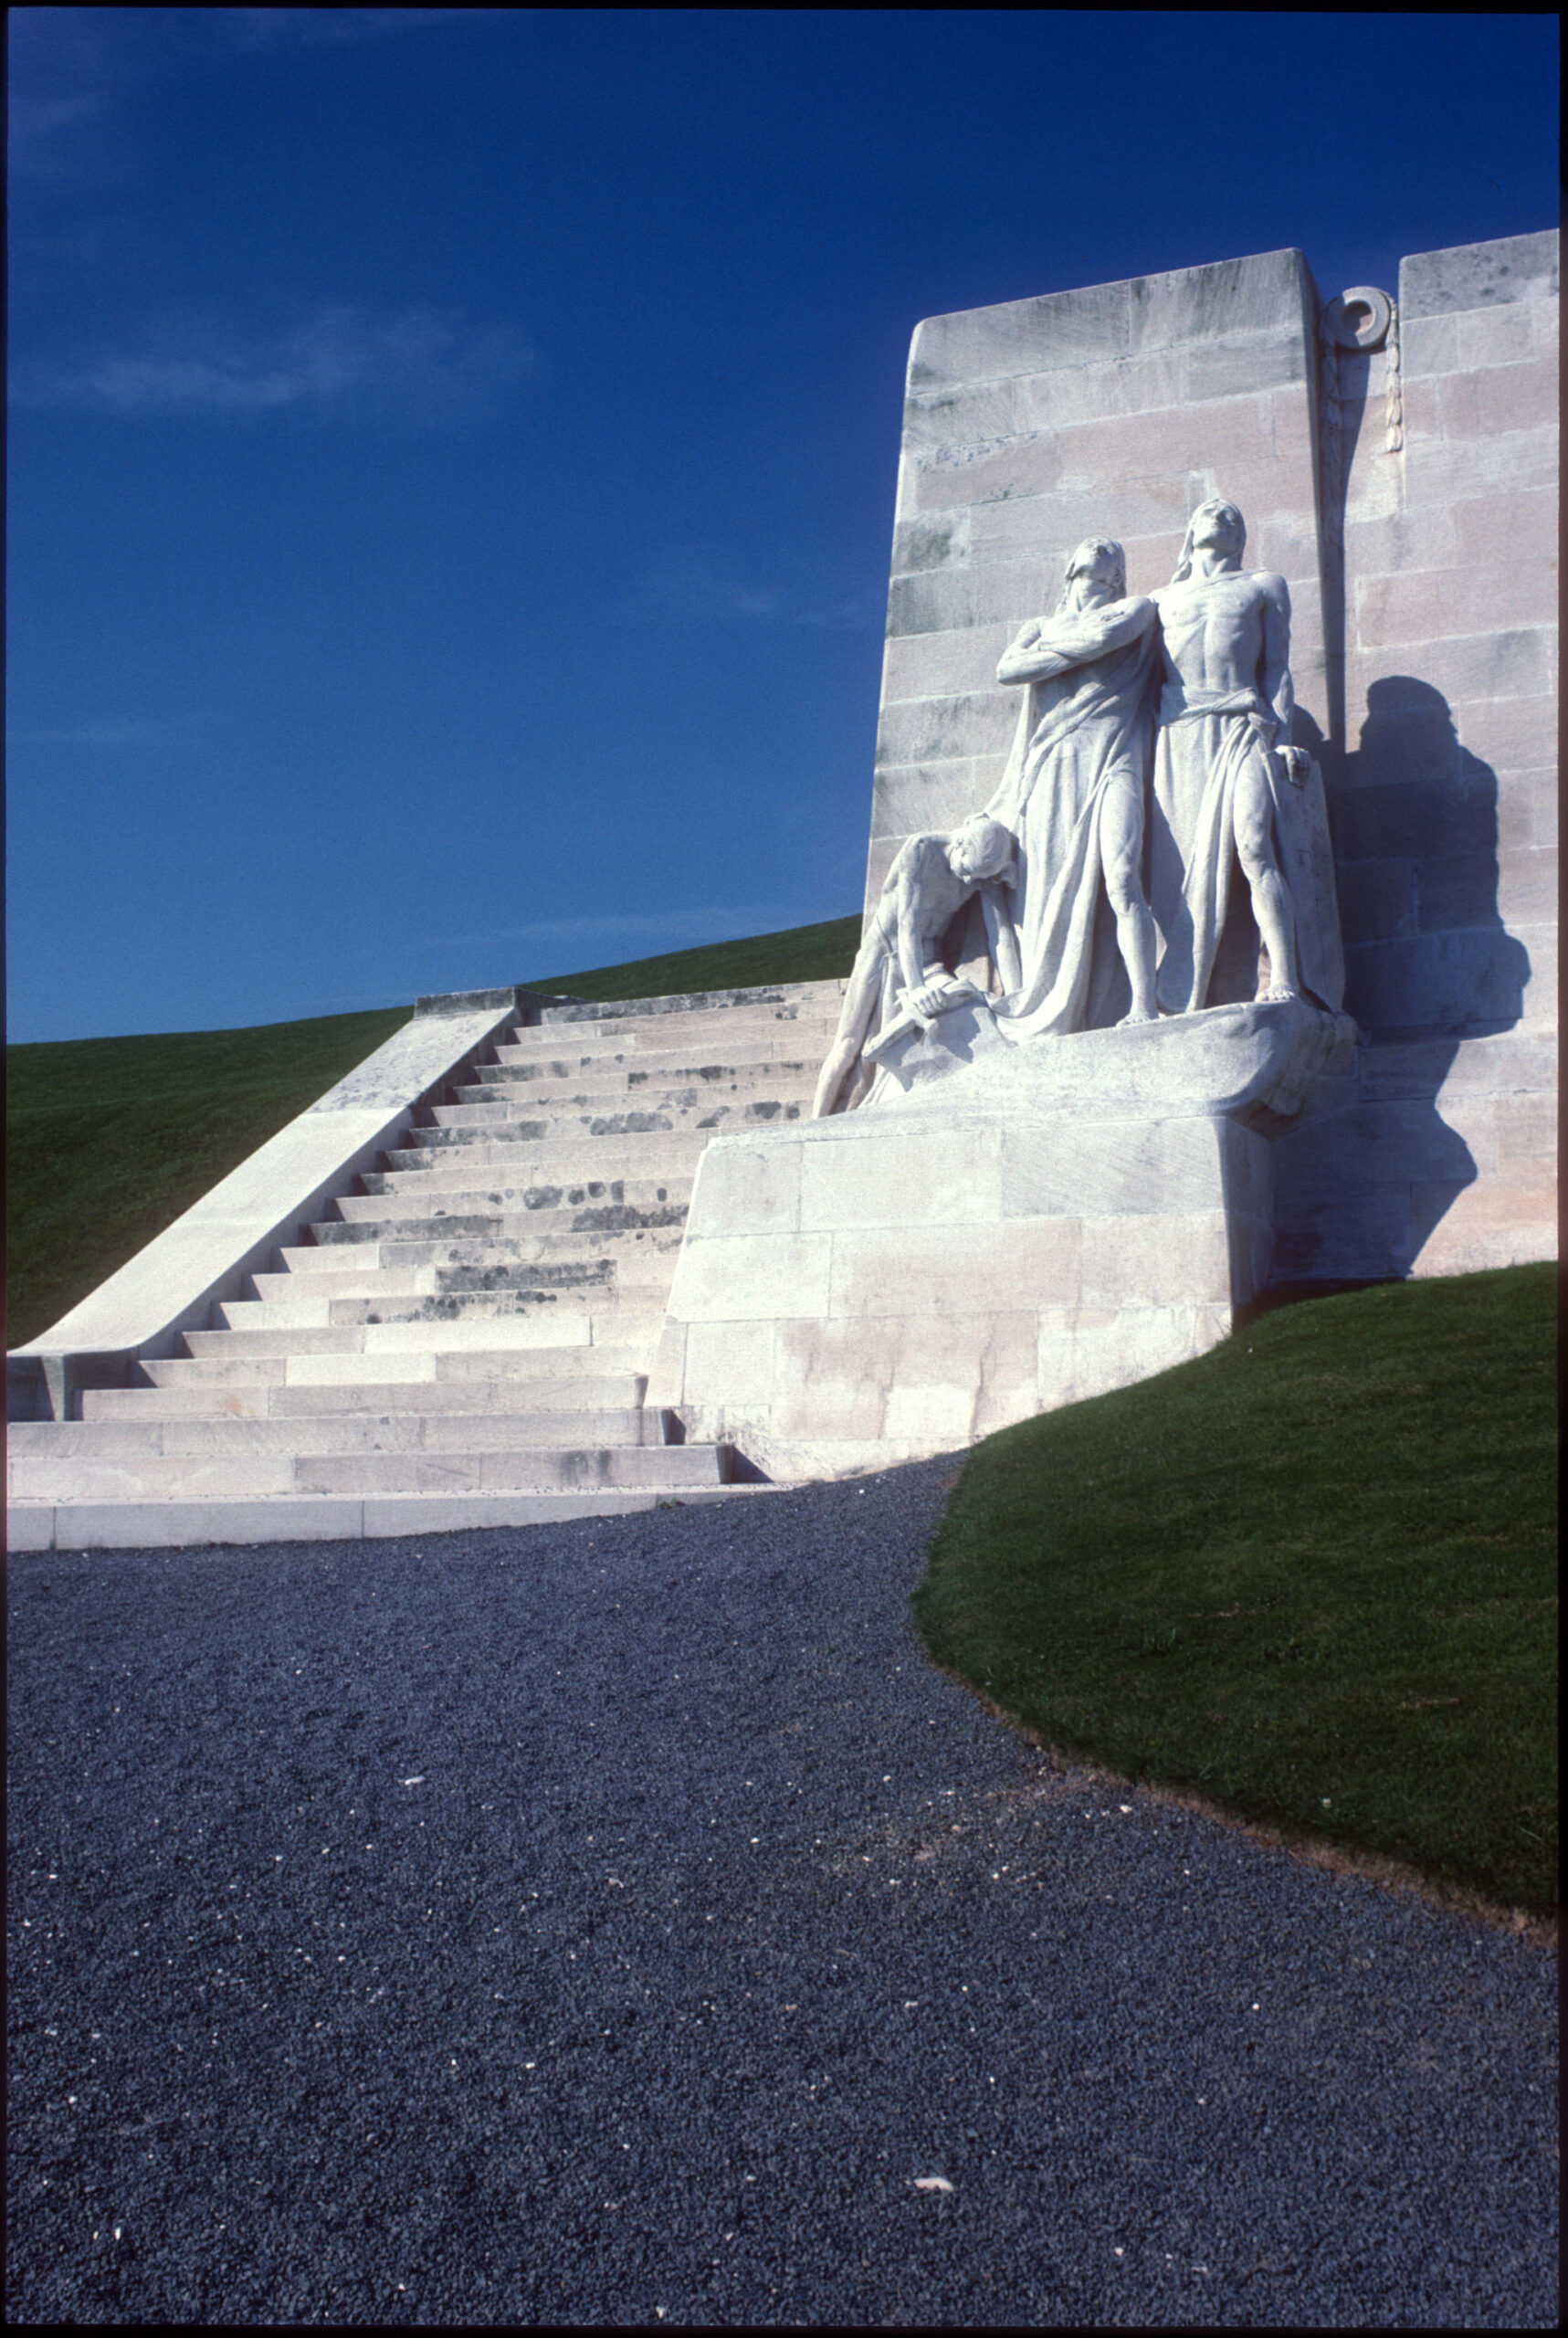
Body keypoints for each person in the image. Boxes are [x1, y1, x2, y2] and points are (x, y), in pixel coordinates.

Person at [1148, 498, 1342, 1014]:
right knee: (1178, 867)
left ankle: (1284, 977)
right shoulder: (1158, 600)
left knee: (1255, 846)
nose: (1222, 515)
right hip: (1178, 738)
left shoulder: (1263, 585)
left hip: (1243, 727)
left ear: (1242, 539)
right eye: (1212, 512)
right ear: (1190, 531)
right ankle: (1172, 995)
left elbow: (1276, 668)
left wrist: (1281, 737)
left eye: (1233, 516)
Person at [984, 537, 1161, 1039]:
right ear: (1073, 568)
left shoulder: (1136, 608)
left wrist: (1047, 655)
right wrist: (1066, 648)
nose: (1099, 548)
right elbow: (1006, 670)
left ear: (1118, 573)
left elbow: (1100, 642)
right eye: (1090, 548)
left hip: (1113, 757)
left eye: (1110, 551)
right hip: (1052, 765)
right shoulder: (1036, 626)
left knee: (1123, 876)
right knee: (1041, 891)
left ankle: (1143, 1004)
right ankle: (1048, 1004)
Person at [813, 815, 1018, 1116]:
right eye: (967, 871)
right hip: (884, 956)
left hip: (930, 961)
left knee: (969, 1010)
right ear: (959, 843)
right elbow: (907, 924)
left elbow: (1000, 932)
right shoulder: (921, 850)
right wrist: (916, 989)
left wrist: (1015, 995)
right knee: (848, 1047)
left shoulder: (982, 869)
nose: (968, 882)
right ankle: (817, 1120)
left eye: (976, 877)